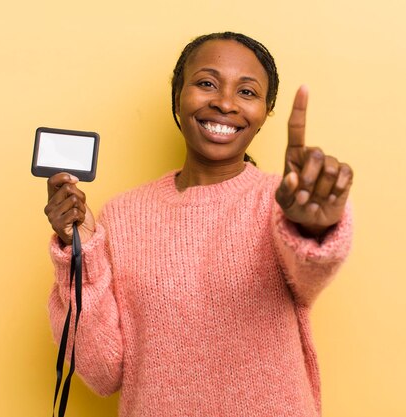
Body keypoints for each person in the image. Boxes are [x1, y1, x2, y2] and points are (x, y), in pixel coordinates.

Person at [44, 32, 353, 417]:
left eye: (247, 92)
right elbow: (104, 372)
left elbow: (311, 268)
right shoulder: (122, 215)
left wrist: (310, 229)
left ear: (266, 111)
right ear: (177, 96)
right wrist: (80, 252)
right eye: (206, 83)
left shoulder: (279, 202)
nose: (224, 103)